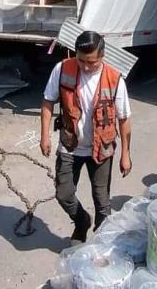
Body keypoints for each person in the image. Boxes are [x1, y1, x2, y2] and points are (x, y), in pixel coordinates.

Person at [40, 30, 132, 245]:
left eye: (92, 62)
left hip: (101, 148)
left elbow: (124, 120)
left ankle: (101, 244)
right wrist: (45, 136)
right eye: (81, 61)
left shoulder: (114, 79)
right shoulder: (63, 69)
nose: (86, 67)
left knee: (102, 202)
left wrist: (125, 155)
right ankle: (81, 221)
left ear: (102, 56)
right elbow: (47, 101)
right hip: (70, 145)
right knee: (63, 194)